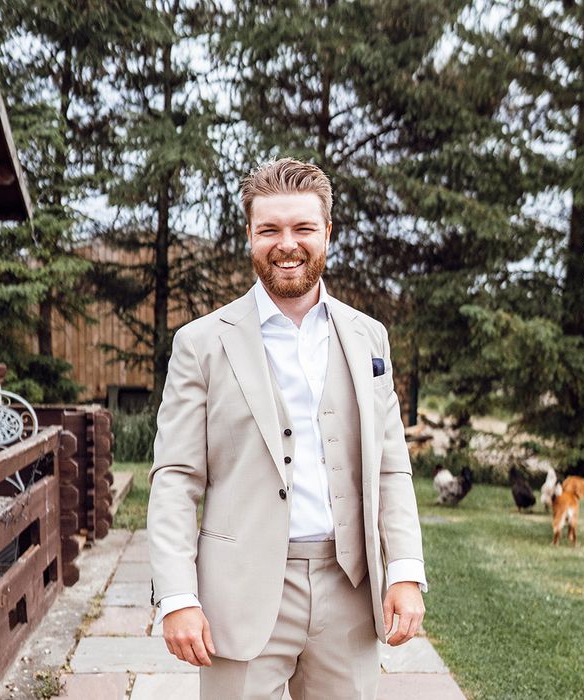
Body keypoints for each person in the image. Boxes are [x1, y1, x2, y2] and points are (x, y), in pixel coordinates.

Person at [147, 158, 427, 699]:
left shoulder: (369, 338)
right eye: (270, 229)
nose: (287, 243)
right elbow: (175, 478)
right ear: (250, 235)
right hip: (241, 589)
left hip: (348, 584)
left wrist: (406, 571)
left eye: (302, 228)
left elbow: (391, 466)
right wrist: (177, 597)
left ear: (328, 233)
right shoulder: (201, 344)